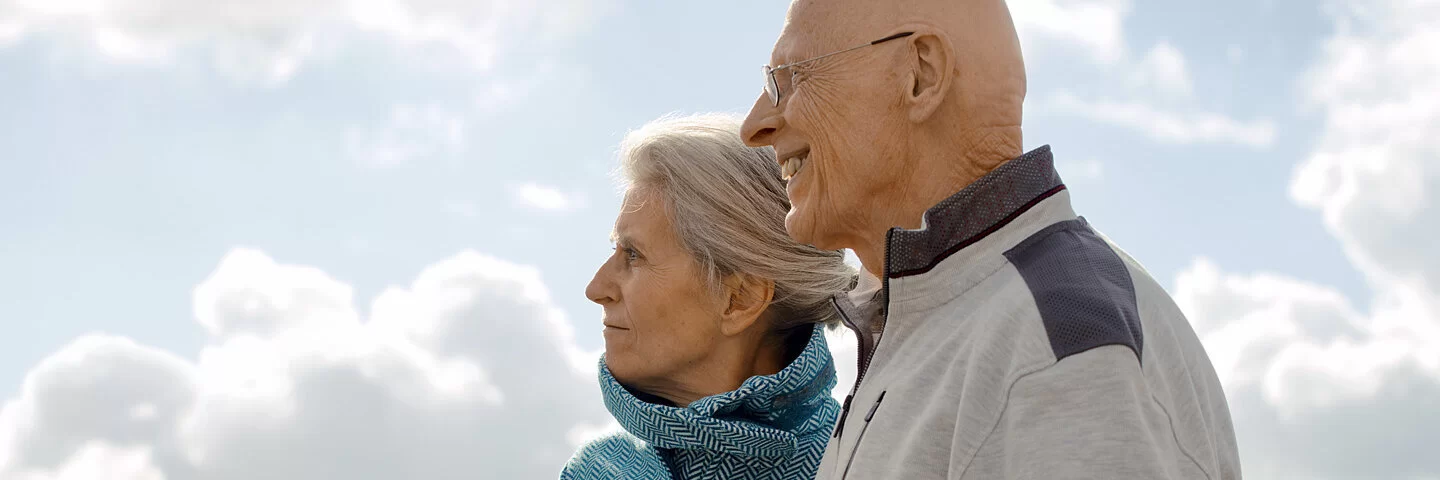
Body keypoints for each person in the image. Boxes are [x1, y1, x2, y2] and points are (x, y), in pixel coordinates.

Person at [739, 0, 1242, 478]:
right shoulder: (959, 316)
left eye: (791, 78)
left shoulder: (1053, 345)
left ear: (921, 74)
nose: (755, 125)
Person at [561, 113, 854, 480]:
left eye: (633, 255)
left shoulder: (873, 461)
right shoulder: (601, 470)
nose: (595, 289)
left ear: (740, 300)